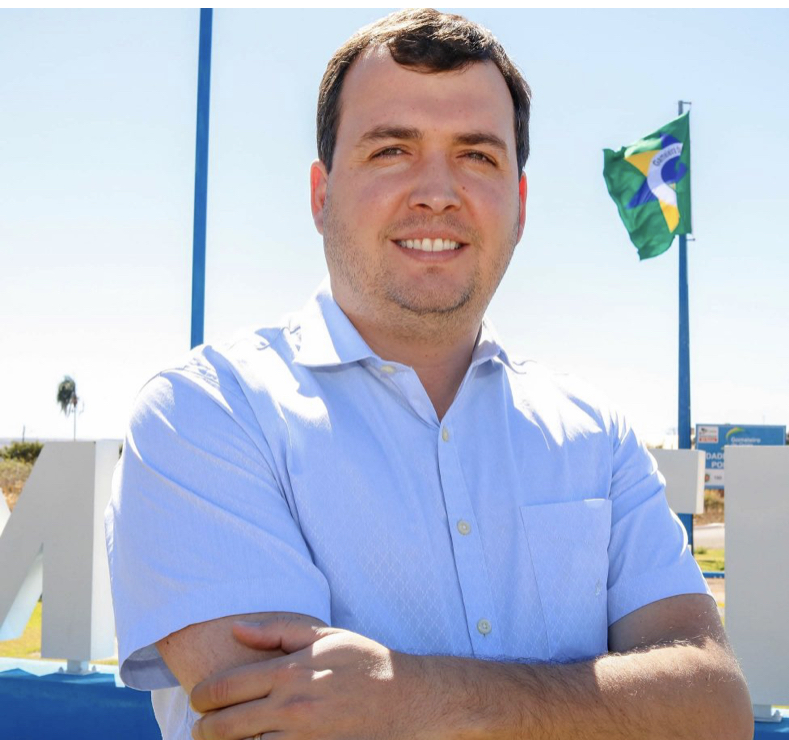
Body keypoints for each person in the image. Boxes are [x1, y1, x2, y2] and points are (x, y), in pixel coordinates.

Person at [106, 9, 753, 740]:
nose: (437, 192)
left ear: (520, 204)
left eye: (477, 156)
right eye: (392, 150)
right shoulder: (205, 413)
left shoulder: (595, 433)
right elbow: (279, 730)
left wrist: (408, 697)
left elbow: (715, 709)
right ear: (321, 194)